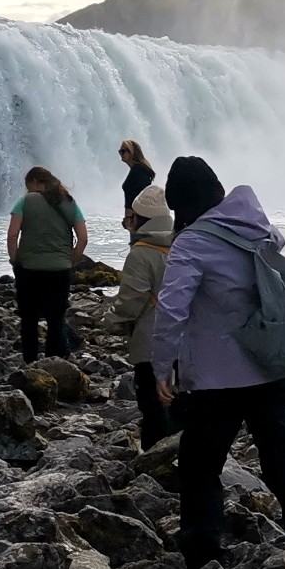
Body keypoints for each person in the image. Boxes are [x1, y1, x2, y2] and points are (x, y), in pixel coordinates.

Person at [151, 156, 285, 569]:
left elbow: (172, 308)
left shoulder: (192, 242)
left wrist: (161, 366)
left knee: (200, 466)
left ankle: (204, 552)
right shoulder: (257, 227)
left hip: (215, 377)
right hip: (269, 364)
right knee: (281, 457)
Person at [103, 184, 176, 449]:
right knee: (179, 399)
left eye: (130, 218)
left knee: (151, 401)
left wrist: (109, 320)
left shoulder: (141, 253)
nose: (128, 223)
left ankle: (156, 457)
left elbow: (131, 301)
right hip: (185, 337)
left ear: (142, 220)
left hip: (151, 339)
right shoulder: (181, 244)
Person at [6, 166, 87, 362]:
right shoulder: (68, 201)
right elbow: (83, 238)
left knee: (29, 319)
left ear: (36, 182)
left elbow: (12, 234)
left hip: (29, 269)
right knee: (56, 319)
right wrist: (72, 259)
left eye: (29, 186)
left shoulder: (25, 201)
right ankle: (52, 361)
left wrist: (15, 259)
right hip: (59, 269)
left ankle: (30, 362)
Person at [118, 139, 156, 230]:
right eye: (120, 152)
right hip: (137, 219)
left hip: (137, 221)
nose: (121, 154)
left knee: (138, 243)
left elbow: (138, 196)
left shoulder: (138, 171)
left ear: (131, 152)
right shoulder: (139, 170)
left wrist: (130, 219)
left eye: (123, 151)